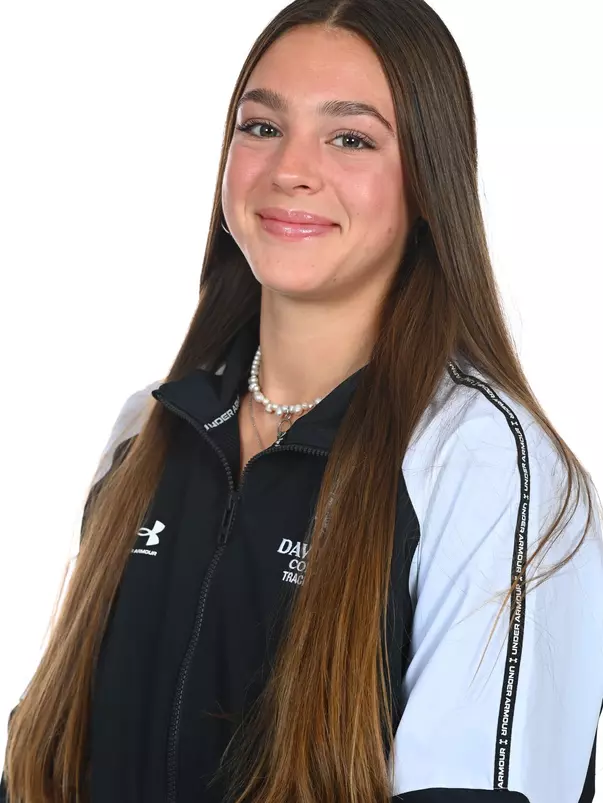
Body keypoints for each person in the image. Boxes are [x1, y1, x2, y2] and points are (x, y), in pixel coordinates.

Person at [2, 0, 603, 801]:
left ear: (430, 181)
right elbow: (47, 758)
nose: (290, 168)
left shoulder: (486, 466)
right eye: (261, 127)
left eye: (350, 138)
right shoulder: (146, 430)